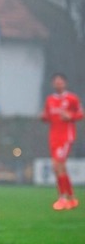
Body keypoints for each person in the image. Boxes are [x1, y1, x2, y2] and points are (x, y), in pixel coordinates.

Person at [41, 73, 83, 211]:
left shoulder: (72, 98)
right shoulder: (50, 100)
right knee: (60, 168)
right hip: (53, 137)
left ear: (65, 83)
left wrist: (70, 116)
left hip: (66, 136)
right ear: (53, 84)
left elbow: (81, 114)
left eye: (61, 82)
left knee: (56, 165)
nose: (58, 84)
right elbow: (47, 116)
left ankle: (62, 198)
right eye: (56, 82)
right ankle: (71, 198)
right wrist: (43, 117)